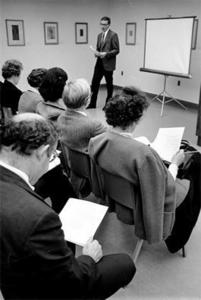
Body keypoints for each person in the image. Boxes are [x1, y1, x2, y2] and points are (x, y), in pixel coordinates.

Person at [0, 113, 135, 299]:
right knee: (125, 263)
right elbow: (72, 283)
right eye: (53, 155)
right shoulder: (39, 218)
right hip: (37, 288)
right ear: (41, 152)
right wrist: (88, 258)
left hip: (10, 274)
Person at [89, 93, 190, 244]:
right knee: (191, 184)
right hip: (140, 205)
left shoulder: (96, 141)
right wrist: (175, 163)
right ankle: (177, 241)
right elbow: (162, 187)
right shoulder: (144, 155)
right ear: (135, 120)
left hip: (118, 198)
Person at [58, 78, 107, 152]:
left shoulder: (60, 118)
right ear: (87, 100)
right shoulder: (93, 125)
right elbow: (112, 139)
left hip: (69, 160)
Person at [88, 16, 120, 108]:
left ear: (109, 25)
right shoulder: (99, 35)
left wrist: (106, 54)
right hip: (99, 63)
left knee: (109, 85)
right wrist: (96, 53)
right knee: (94, 84)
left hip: (108, 64)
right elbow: (99, 48)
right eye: (101, 24)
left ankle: (108, 104)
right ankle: (92, 103)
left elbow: (117, 50)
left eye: (105, 24)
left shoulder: (113, 35)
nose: (102, 26)